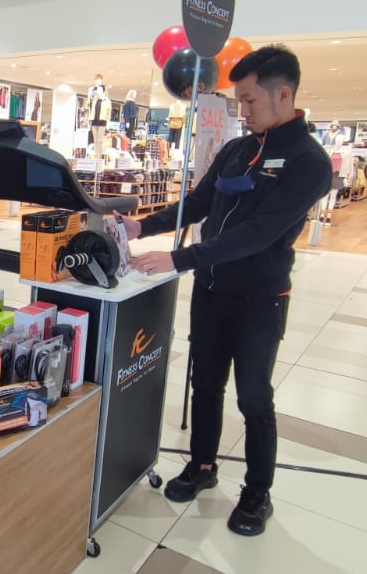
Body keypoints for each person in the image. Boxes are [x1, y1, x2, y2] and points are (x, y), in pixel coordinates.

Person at [121, 45, 331, 536]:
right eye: (239, 101)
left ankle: (257, 494)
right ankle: (202, 466)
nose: (244, 111)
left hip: (260, 299)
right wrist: (142, 226)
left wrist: (180, 259)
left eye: (251, 100)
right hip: (213, 291)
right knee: (206, 385)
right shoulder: (237, 150)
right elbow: (198, 203)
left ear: (283, 94)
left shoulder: (309, 162)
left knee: (253, 398)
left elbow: (259, 233)